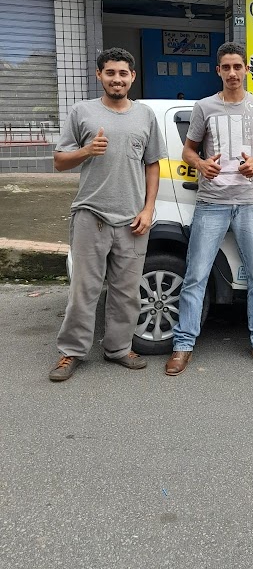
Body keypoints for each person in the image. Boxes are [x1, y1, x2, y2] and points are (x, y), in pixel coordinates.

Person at [49, 48, 167, 381]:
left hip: (132, 218)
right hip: (91, 214)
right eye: (111, 72)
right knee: (83, 291)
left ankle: (117, 348)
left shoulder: (145, 116)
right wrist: (86, 151)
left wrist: (148, 208)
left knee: (127, 292)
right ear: (99, 75)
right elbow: (59, 161)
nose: (117, 78)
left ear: (132, 77)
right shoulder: (81, 112)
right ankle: (71, 352)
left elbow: (153, 164)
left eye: (123, 73)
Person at [165, 43, 253, 376]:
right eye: (226, 67)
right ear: (219, 70)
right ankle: (182, 346)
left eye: (237, 67)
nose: (232, 73)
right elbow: (188, 150)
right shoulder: (204, 107)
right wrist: (201, 164)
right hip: (211, 203)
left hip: (248, 203)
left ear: (246, 70)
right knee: (196, 276)